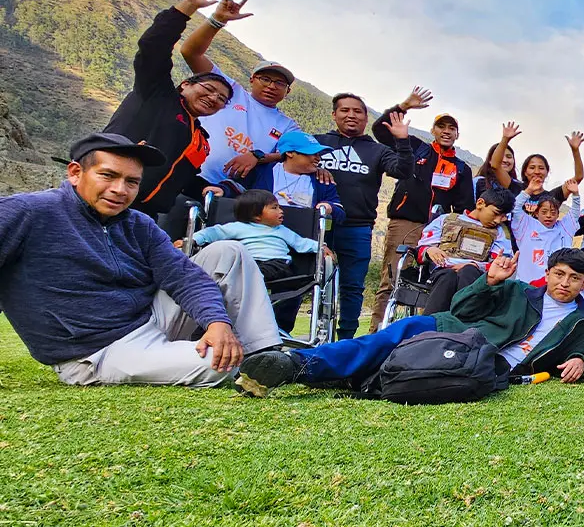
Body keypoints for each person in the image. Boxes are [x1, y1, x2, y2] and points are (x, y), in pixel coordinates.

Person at [0, 133, 280, 386]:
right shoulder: (29, 212)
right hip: (97, 349)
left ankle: (266, 355)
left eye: (131, 182)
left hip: (149, 318)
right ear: (75, 172)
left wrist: (218, 323)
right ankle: (238, 361)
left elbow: (184, 276)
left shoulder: (137, 223)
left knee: (228, 251)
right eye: (108, 175)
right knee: (217, 365)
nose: (120, 190)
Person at [234, 249, 584, 396]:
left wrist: (582, 360)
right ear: (548, 273)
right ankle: (298, 363)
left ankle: (326, 374)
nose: (564, 284)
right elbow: (463, 308)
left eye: (573, 279)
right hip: (455, 333)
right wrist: (489, 282)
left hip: (488, 367)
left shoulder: (583, 319)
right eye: (559, 274)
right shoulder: (520, 290)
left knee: (407, 372)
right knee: (387, 339)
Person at [106, 0, 235, 219]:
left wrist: (205, 189)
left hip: (143, 216)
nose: (213, 98)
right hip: (106, 196)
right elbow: (153, 46)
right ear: (185, 84)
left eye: (221, 99)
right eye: (208, 89)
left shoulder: (200, 138)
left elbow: (181, 177)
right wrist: (186, 7)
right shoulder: (156, 93)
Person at [316, 91, 417, 339]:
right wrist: (314, 166)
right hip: (317, 224)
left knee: (352, 286)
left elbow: (402, 171)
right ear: (334, 114)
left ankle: (346, 340)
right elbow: (289, 159)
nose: (351, 115)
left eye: (357, 111)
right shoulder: (315, 143)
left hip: (357, 226)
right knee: (310, 279)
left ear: (365, 117)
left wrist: (402, 142)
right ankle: (297, 335)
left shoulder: (377, 151)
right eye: (345, 110)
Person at [368, 102, 475, 332]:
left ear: (457, 134)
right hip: (408, 224)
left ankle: (430, 333)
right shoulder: (417, 148)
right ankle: (377, 333)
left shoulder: (462, 168)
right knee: (393, 281)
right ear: (433, 130)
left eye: (452, 128)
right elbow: (380, 130)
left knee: (438, 281)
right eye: (441, 126)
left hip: (440, 234)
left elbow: (466, 208)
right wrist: (404, 106)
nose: (446, 131)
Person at [177, 0, 303, 184]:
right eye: (265, 79)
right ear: (252, 80)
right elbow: (190, 52)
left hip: (232, 193)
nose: (271, 86)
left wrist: (257, 156)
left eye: (280, 83)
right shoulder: (228, 89)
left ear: (287, 91)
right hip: (186, 174)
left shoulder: (287, 125)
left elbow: (291, 153)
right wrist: (217, 20)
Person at [188, 189, 331, 331]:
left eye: (279, 207)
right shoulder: (239, 228)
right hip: (248, 263)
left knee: (290, 290)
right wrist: (193, 239)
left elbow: (301, 243)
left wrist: (321, 247)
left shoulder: (281, 230)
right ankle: (213, 321)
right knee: (232, 272)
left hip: (277, 265)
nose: (281, 211)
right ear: (256, 216)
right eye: (274, 208)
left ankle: (280, 325)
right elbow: (214, 232)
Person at [416, 186, 515, 315]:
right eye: (495, 213)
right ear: (480, 203)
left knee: (468, 271)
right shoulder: (446, 219)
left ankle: (462, 322)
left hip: (475, 274)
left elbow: (501, 263)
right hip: (443, 270)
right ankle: (430, 323)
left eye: (503, 217)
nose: (497, 220)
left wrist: (475, 265)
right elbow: (420, 249)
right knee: (448, 277)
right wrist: (429, 250)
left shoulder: (500, 233)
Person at [213, 131, 344, 222]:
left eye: (319, 154)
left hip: (301, 235)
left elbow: (340, 212)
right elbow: (236, 187)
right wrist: (223, 190)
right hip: (258, 231)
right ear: (290, 153)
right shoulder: (262, 172)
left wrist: (328, 207)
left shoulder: (322, 181)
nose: (318, 158)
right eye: (311, 153)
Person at [508, 180, 584, 286]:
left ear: (557, 214)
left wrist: (575, 194)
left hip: (554, 288)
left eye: (553, 212)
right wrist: (528, 190)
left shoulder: (564, 228)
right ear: (536, 213)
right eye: (544, 212)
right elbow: (515, 208)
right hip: (525, 285)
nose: (549, 216)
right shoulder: (526, 225)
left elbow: (574, 212)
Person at [478, 123, 584, 200]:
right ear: (525, 172)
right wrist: (505, 140)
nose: (537, 171)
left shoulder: (552, 196)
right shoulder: (514, 188)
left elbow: (578, 177)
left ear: (547, 172)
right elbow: (495, 165)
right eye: (532, 167)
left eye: (541, 168)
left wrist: (575, 150)